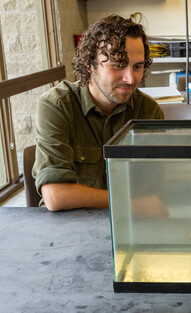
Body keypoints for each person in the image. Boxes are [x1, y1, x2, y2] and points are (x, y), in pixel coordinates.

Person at [33, 14, 164, 212]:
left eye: (138, 66)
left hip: (128, 224)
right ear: (90, 65)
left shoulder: (149, 111)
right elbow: (55, 195)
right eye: (118, 65)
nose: (130, 78)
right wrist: (131, 205)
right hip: (69, 225)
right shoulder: (56, 106)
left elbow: (155, 191)